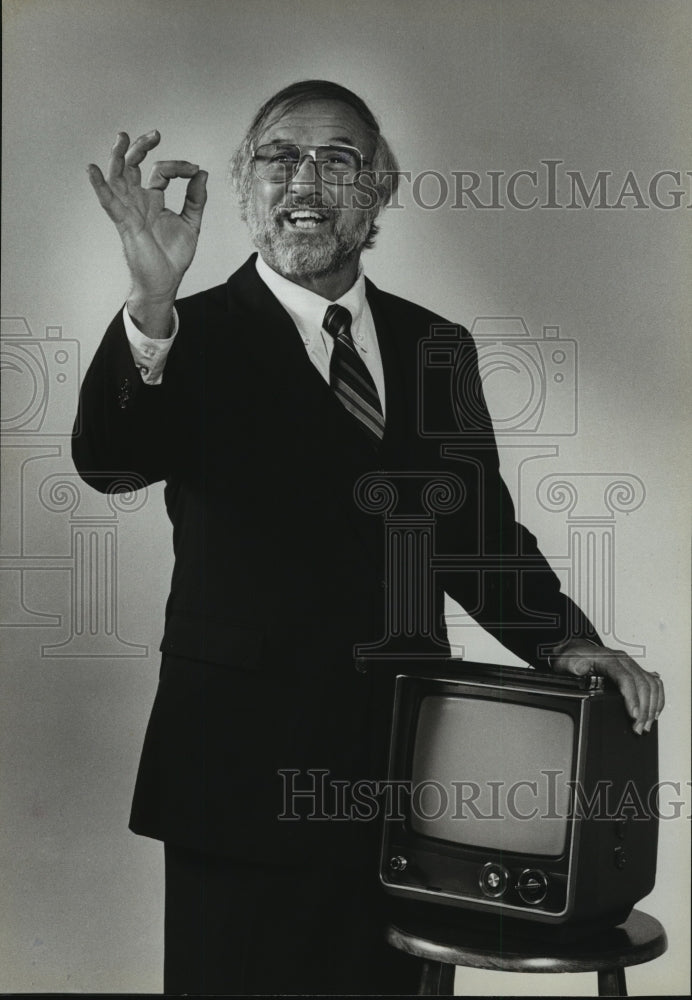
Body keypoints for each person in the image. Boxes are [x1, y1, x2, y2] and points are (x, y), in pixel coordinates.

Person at [72, 79, 664, 995]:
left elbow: (477, 535)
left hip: (402, 791)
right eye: (279, 156)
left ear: (379, 189)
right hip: (234, 784)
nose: (304, 178)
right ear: (245, 187)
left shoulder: (438, 348)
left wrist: (564, 639)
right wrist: (152, 306)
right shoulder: (189, 334)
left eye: (338, 158)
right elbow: (108, 461)